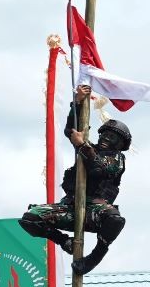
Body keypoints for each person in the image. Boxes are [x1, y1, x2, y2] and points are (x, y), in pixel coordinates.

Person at [18, 85, 131, 275]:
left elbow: (98, 169)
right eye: (104, 134)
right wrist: (77, 102)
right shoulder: (84, 148)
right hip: (70, 208)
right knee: (30, 218)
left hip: (95, 212)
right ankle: (64, 241)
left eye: (112, 137)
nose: (106, 139)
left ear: (120, 144)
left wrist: (82, 146)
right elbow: (73, 131)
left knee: (115, 220)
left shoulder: (117, 159)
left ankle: (94, 257)